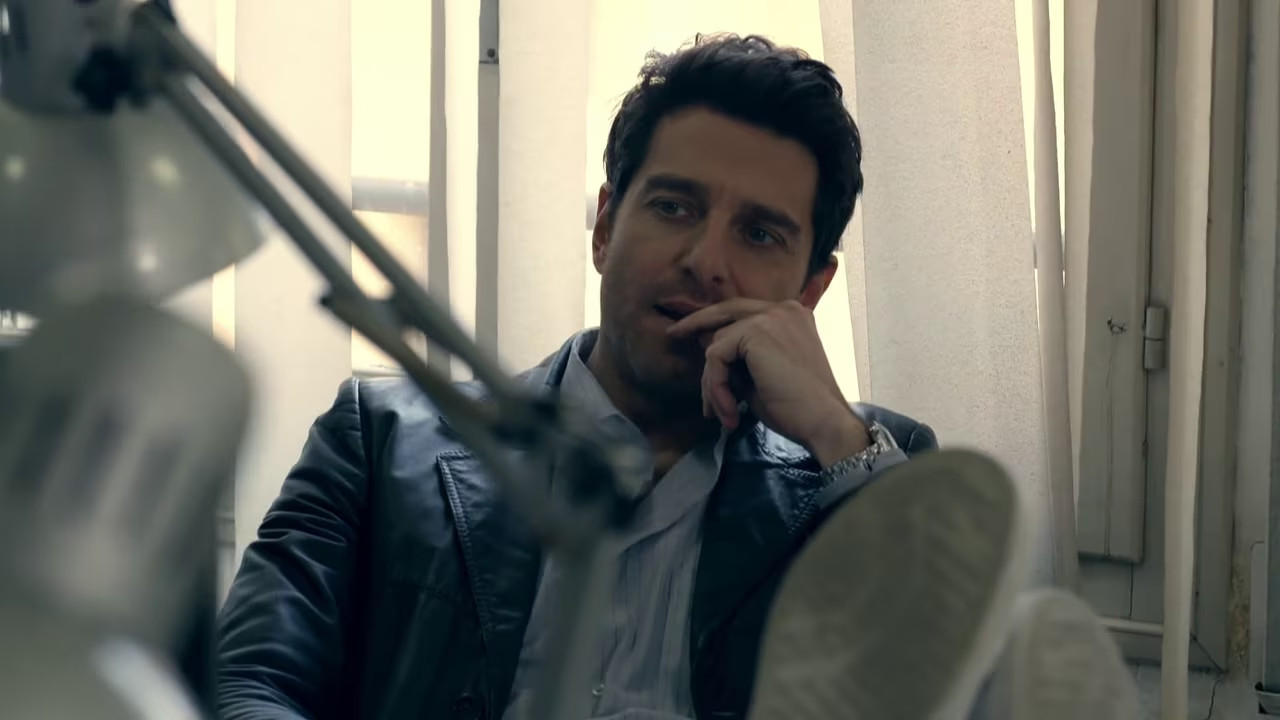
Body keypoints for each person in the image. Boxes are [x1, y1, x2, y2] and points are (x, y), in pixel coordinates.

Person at [216, 34, 1137, 720]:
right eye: (673, 207)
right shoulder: (382, 437)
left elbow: (957, 694)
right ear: (605, 227)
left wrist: (835, 436)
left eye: (760, 234)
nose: (705, 260)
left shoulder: (864, 468)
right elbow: (249, 684)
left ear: (810, 290)